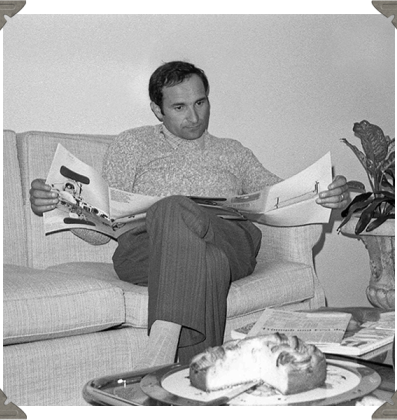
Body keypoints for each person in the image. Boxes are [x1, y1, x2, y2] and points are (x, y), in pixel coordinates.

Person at [29, 61, 350, 367]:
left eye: (200, 103)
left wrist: (324, 194)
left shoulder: (232, 151)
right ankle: (198, 376)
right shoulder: (131, 144)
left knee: (176, 208)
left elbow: (281, 194)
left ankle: (160, 352)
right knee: (202, 253)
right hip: (145, 249)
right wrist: (58, 203)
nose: (194, 116)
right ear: (157, 109)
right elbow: (101, 226)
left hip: (228, 238)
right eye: (179, 107)